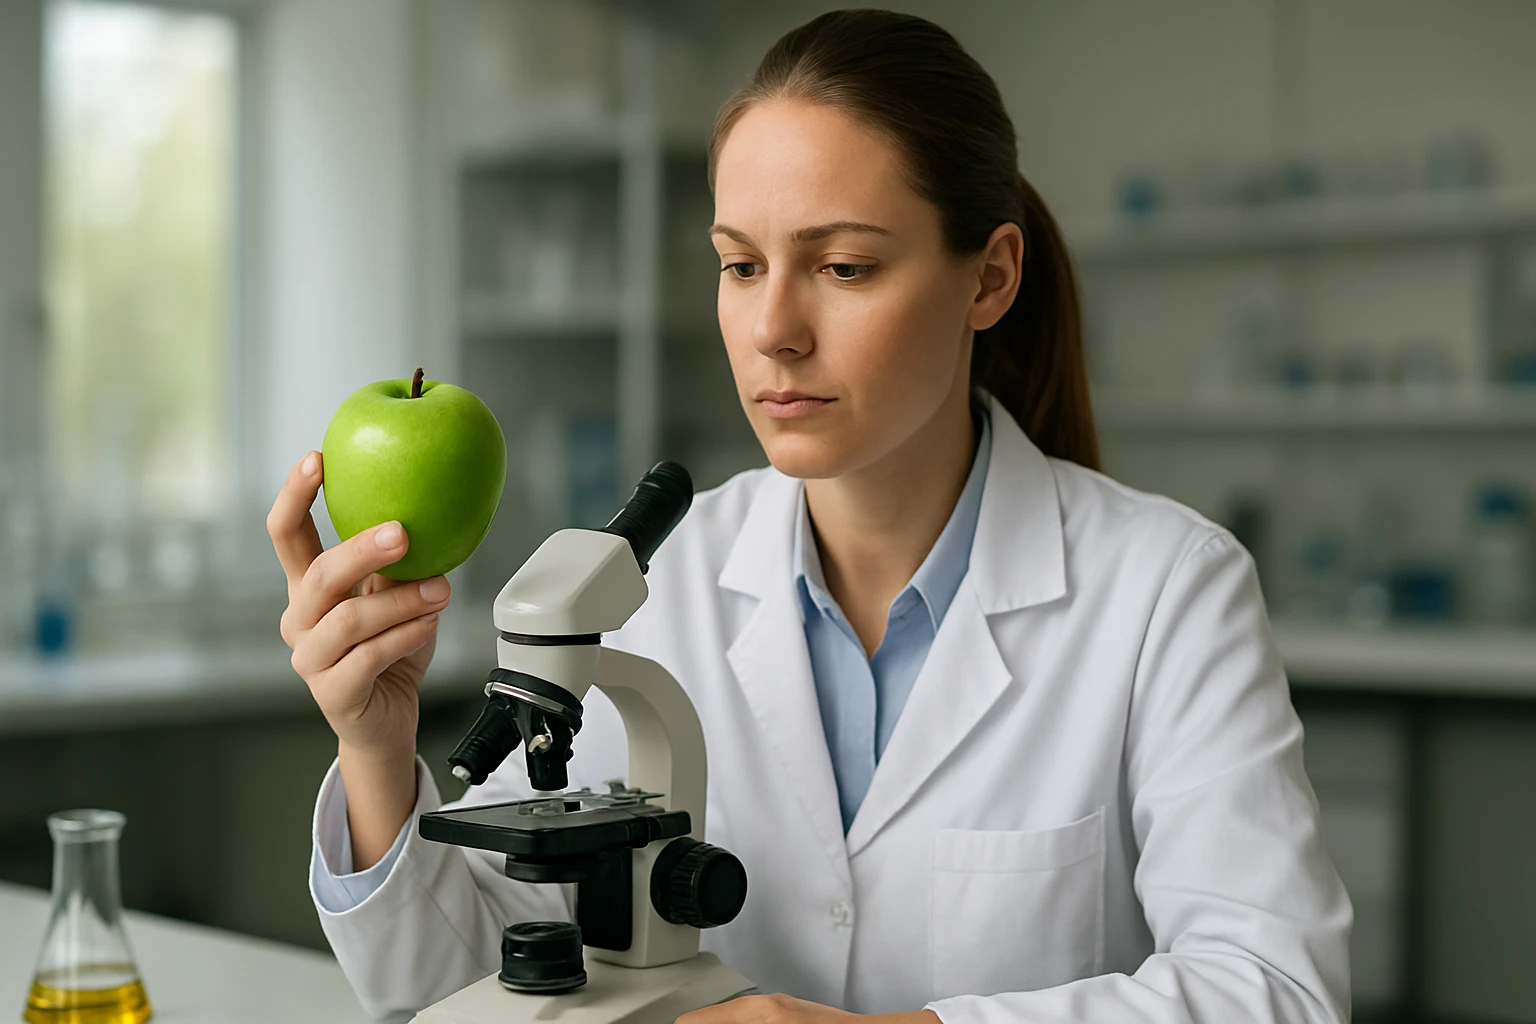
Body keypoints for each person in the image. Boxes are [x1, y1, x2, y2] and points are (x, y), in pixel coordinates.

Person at [267, 9, 1350, 1024]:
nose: (773, 329)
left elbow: (1275, 988)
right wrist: (377, 748)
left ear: (990, 278)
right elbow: (453, 981)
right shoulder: (661, 580)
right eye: (741, 265)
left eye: (843, 266)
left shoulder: (1168, 589)